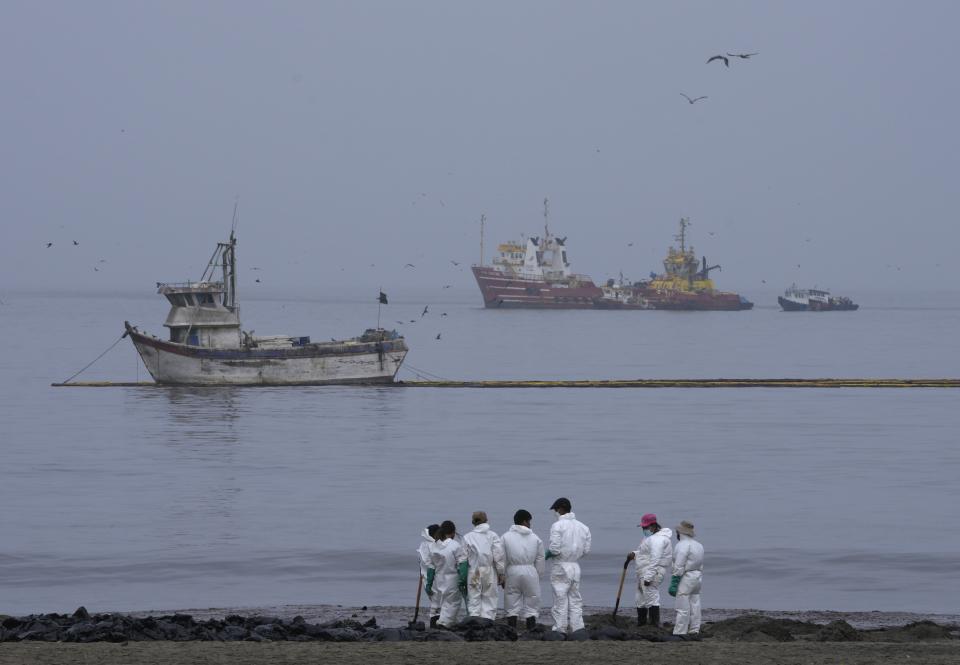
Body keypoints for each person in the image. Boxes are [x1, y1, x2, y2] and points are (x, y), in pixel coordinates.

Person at [545, 497, 591, 633]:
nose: (555, 512)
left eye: (555, 510)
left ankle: (560, 629)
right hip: (575, 567)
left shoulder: (557, 526)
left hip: (560, 566)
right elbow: (586, 550)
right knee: (575, 599)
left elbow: (554, 549)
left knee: (560, 598)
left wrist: (548, 554)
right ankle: (578, 628)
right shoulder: (583, 527)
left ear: (560, 509)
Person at [625, 512, 673, 627]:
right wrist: (635, 554)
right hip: (644, 571)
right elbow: (646, 554)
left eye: (645, 527)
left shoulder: (658, 540)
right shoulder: (651, 538)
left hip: (652, 572)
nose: (643, 529)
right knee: (640, 599)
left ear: (653, 526)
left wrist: (648, 577)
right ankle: (642, 624)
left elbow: (655, 559)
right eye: (643, 527)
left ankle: (654, 625)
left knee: (651, 598)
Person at [501, 509, 545, 630]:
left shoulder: (505, 537)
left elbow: (502, 558)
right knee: (532, 600)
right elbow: (540, 558)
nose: (530, 524)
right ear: (524, 521)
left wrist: (502, 575)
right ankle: (531, 629)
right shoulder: (535, 538)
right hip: (530, 571)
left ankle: (512, 629)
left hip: (512, 571)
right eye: (529, 521)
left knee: (511, 600)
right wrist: (538, 575)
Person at [460, 511, 505, 620]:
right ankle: (488, 622)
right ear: (486, 520)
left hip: (475, 572)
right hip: (488, 571)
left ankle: (474, 621)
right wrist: (501, 573)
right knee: (489, 598)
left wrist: (462, 577)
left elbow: (463, 560)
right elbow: (498, 556)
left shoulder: (467, 537)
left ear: (472, 522)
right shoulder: (493, 535)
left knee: (474, 597)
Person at [668, 520, 704, 636]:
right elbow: (701, 563)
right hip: (698, 576)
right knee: (695, 603)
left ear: (680, 532)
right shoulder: (699, 545)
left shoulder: (682, 545)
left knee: (682, 606)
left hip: (686, 577)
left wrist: (674, 582)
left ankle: (680, 632)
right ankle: (694, 629)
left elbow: (679, 565)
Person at [430, 520, 468, 628]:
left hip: (440, 578)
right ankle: (443, 623)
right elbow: (462, 563)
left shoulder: (435, 546)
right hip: (452, 577)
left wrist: (429, 582)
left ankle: (452, 622)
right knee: (453, 603)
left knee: (445, 602)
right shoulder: (455, 545)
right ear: (453, 532)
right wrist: (463, 579)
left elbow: (431, 565)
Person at [418, 523, 441, 628]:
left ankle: (435, 622)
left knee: (435, 601)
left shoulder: (424, 544)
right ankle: (436, 623)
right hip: (433, 577)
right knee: (437, 601)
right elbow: (431, 564)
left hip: (426, 577)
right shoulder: (433, 545)